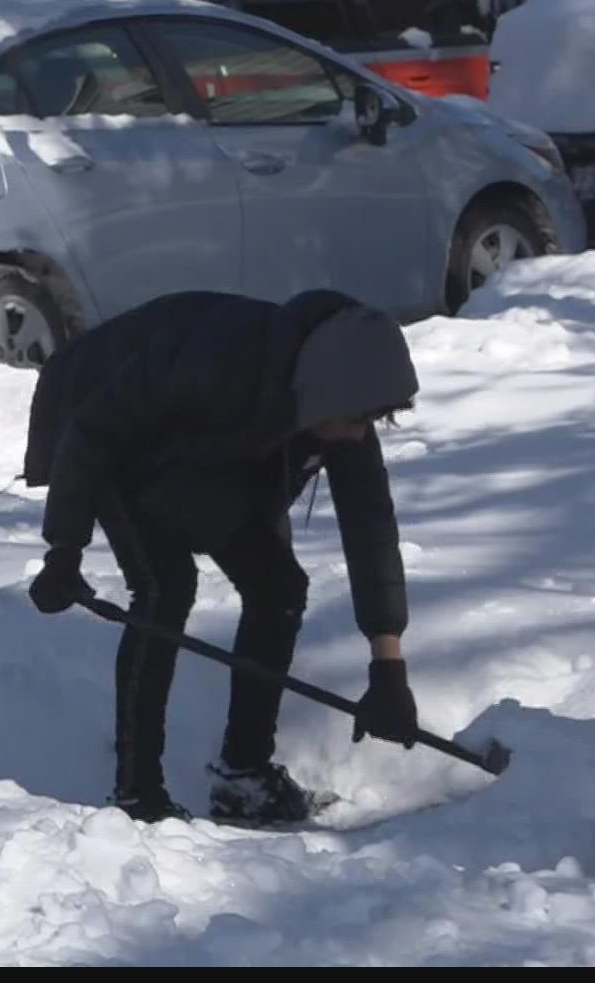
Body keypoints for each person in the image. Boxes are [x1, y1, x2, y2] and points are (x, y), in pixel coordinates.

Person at [21, 287, 425, 827]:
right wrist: (64, 551)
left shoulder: (338, 400)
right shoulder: (218, 364)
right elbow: (94, 431)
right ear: (327, 395)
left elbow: (370, 528)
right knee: (165, 585)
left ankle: (244, 775)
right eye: (357, 419)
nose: (360, 433)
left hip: (198, 453)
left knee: (278, 587)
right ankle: (138, 795)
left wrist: (388, 669)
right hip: (97, 420)